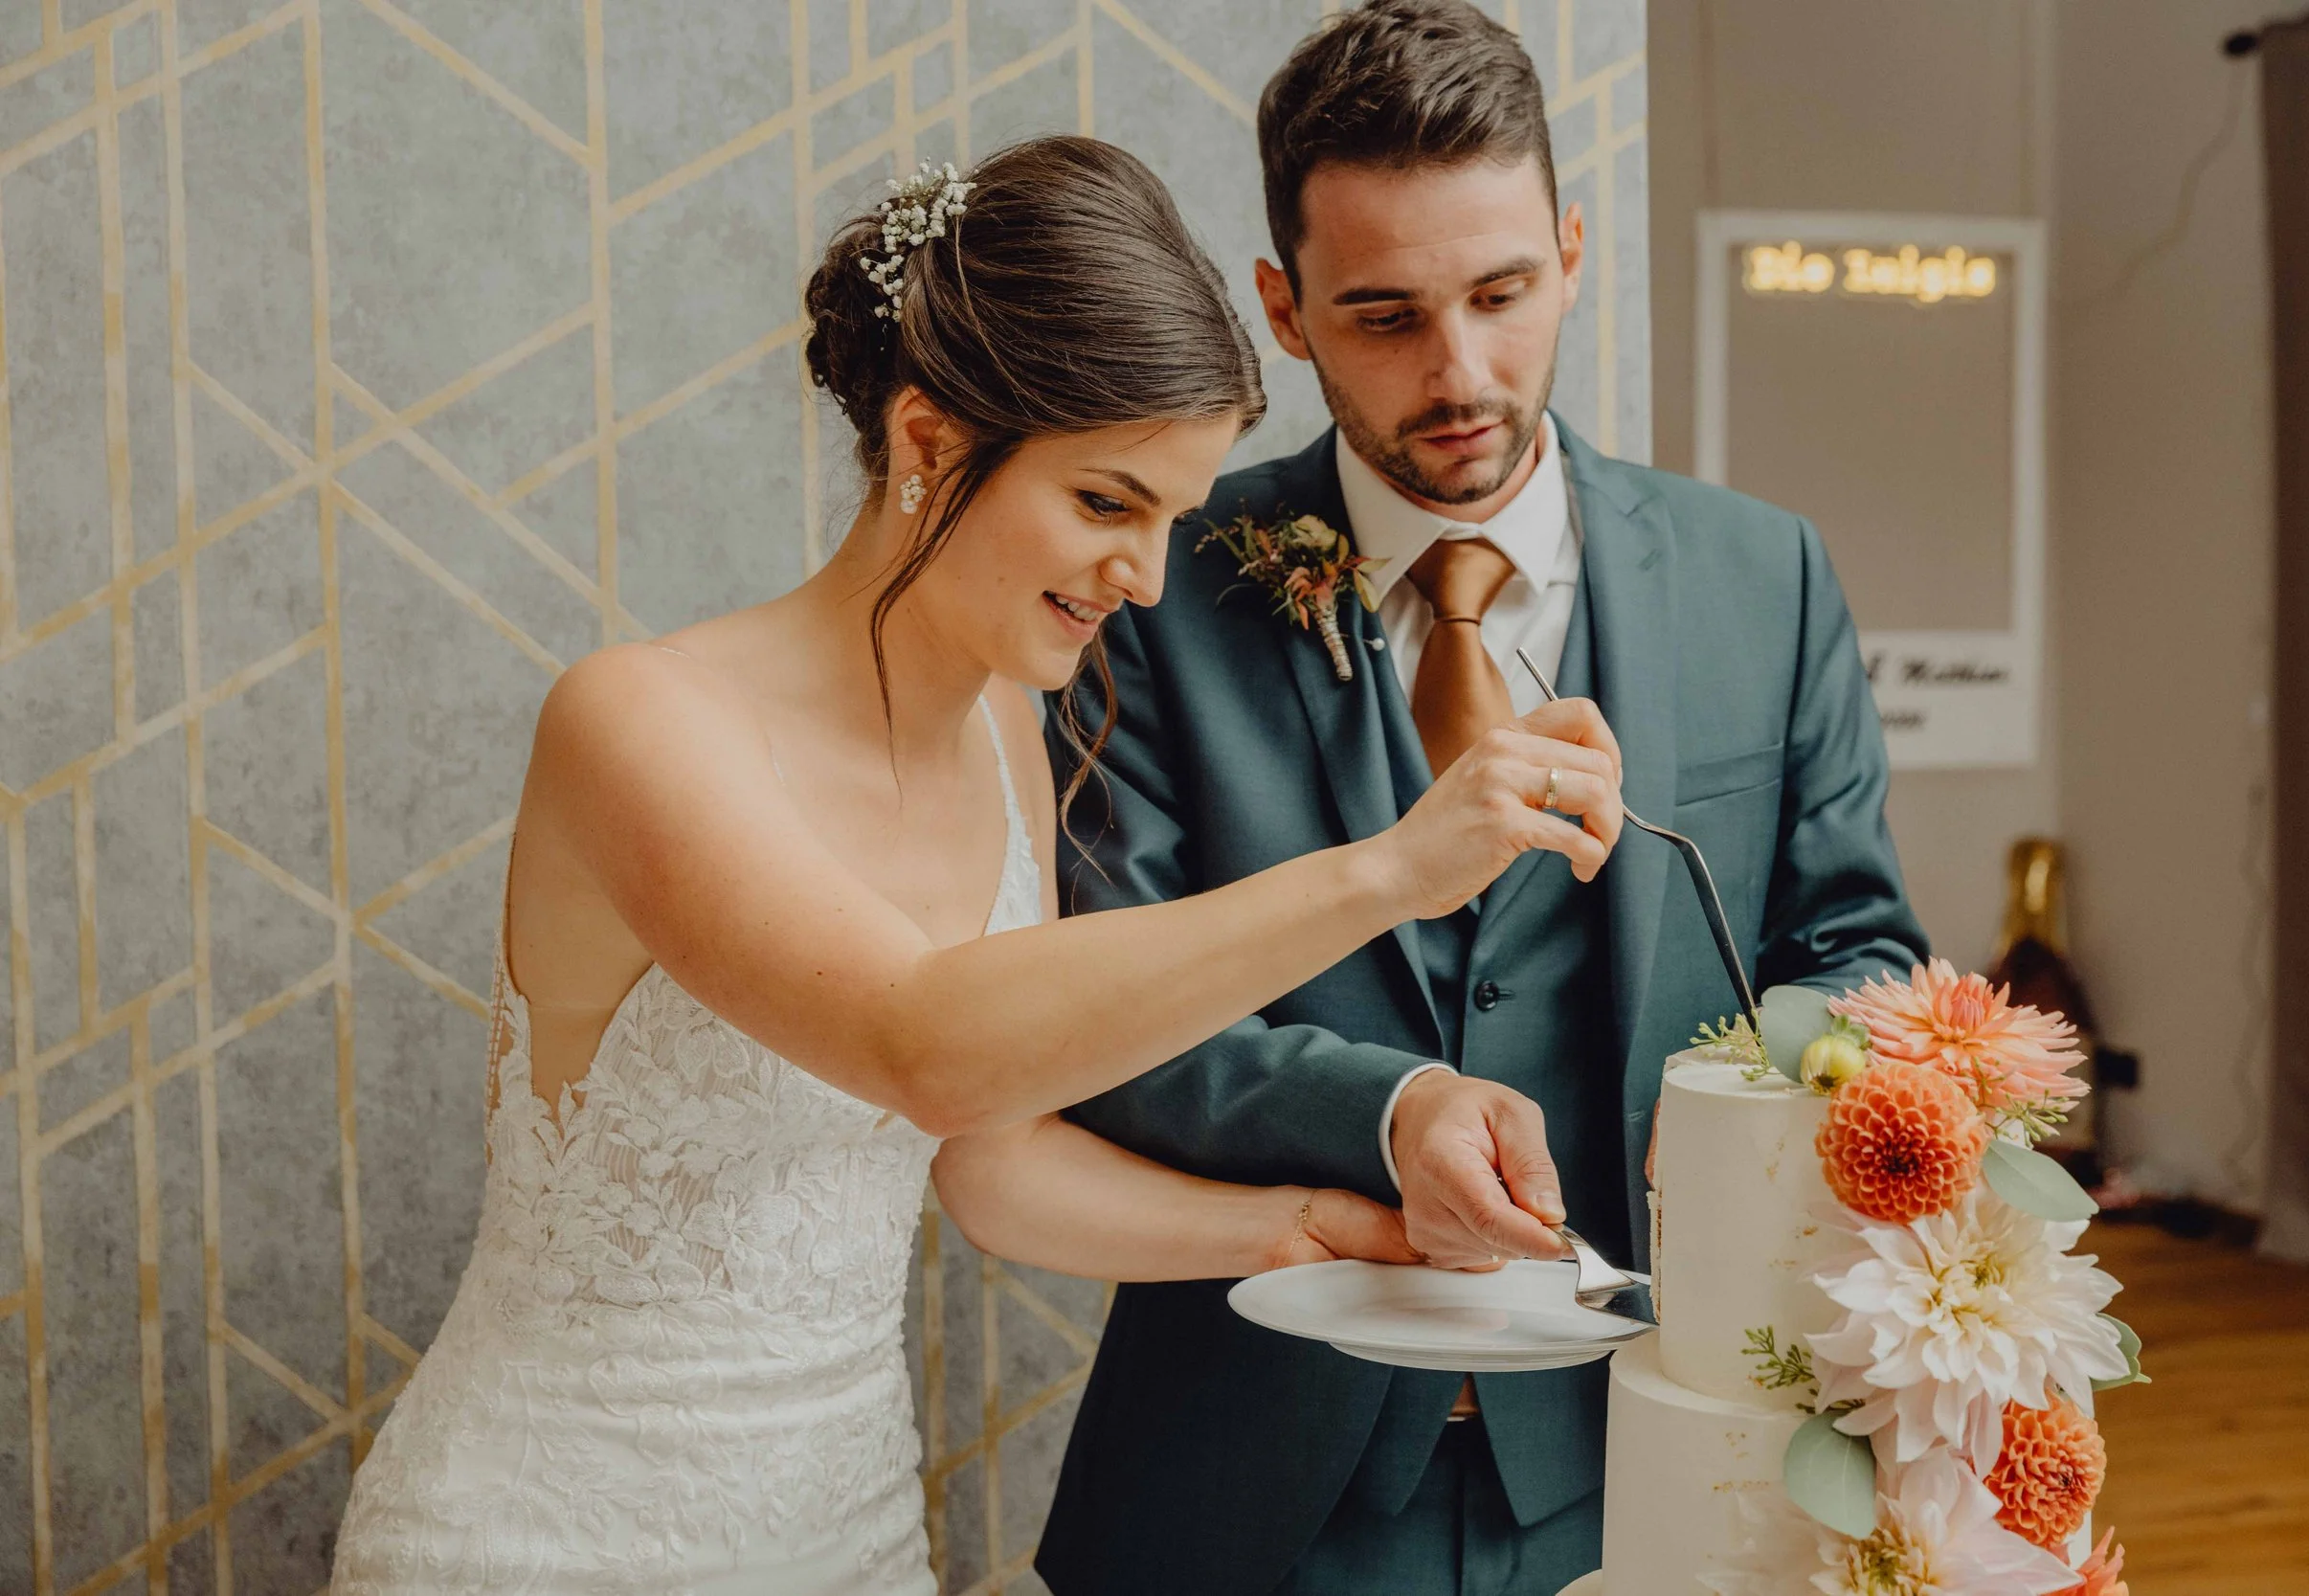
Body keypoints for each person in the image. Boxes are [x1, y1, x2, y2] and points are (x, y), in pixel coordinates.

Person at [327, 135, 1624, 1596]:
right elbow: (923, 1045)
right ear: (931, 441)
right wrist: (1390, 869)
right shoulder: (637, 721)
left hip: (850, 1529)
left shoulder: (1015, 738)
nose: (1144, 578)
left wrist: (1314, 1230)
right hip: (546, 1533)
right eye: (1105, 504)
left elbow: (991, 1158)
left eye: (1172, 521)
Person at [1034, 6, 1932, 1594]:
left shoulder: (1763, 575)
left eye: (1503, 294)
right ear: (1283, 309)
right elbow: (1103, 1014)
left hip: (1652, 1449)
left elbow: (1859, 945)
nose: (1459, 373)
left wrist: (1733, 1126)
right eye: (1383, 315)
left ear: (1574, 249)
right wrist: (1386, 1110)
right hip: (1253, 1477)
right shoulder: (1144, 587)